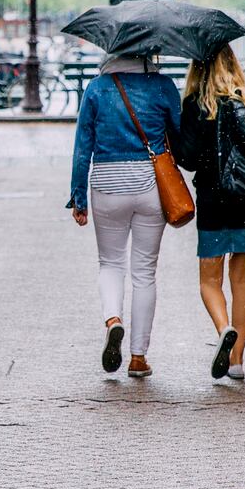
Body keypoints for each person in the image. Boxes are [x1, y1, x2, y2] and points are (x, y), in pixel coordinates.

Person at [177, 45, 245, 381]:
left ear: (198, 68)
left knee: (209, 280)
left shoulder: (197, 106)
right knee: (241, 279)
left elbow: (189, 159)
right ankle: (237, 360)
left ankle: (224, 328)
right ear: (232, 62)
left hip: (214, 201)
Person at [68, 51, 182, 378]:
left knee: (110, 263)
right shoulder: (162, 86)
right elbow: (178, 134)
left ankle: (113, 318)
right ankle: (137, 357)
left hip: (106, 182)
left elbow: (82, 145)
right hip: (150, 183)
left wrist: (78, 196)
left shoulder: (97, 88)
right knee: (145, 271)